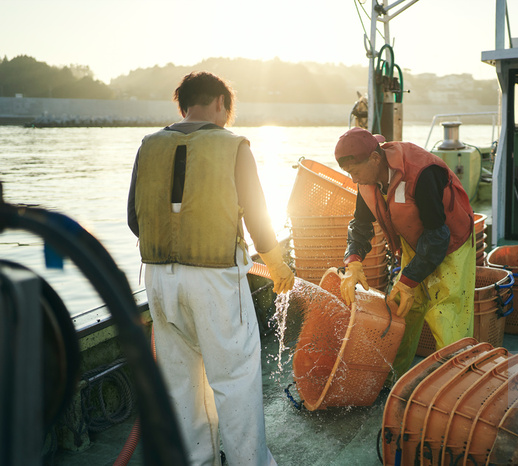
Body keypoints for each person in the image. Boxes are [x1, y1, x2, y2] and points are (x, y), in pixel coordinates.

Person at [127, 71, 293, 466]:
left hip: (159, 281)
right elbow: (256, 216)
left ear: (183, 104)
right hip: (215, 278)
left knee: (181, 385)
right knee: (234, 379)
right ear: (220, 102)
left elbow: (135, 219)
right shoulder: (233, 146)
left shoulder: (148, 145)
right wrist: (276, 263)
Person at [334, 127, 476, 381]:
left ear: (375, 159)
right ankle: (391, 378)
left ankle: (457, 385)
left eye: (355, 172)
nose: (354, 179)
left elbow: (438, 237)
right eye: (349, 174)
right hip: (415, 242)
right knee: (401, 310)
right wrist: (353, 261)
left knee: (446, 316)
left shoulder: (422, 172)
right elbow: (361, 224)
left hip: (452, 242)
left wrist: (408, 281)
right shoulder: (367, 178)